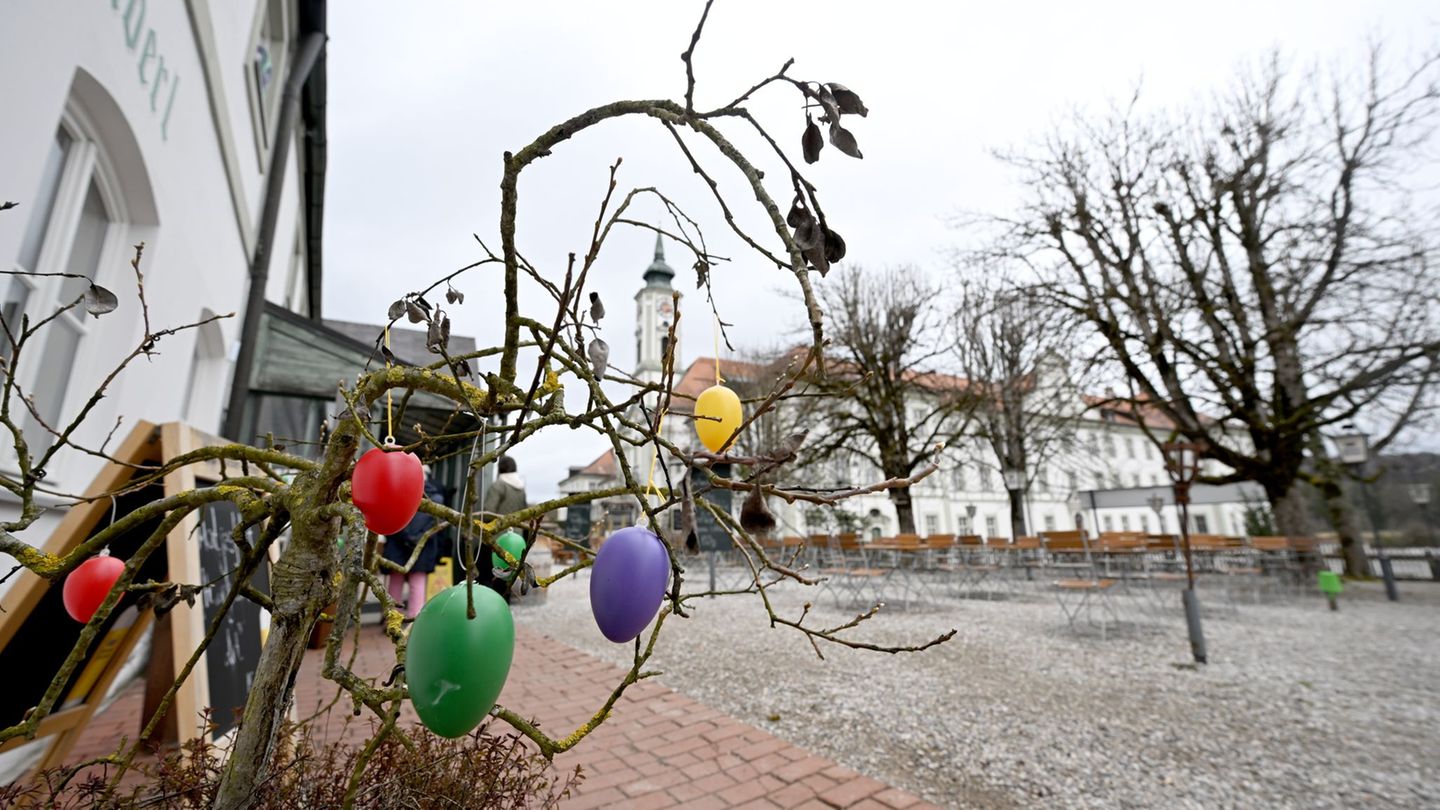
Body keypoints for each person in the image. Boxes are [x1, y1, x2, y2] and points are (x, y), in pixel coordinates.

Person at [382, 465, 445, 620]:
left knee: (395, 582)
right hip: (422, 546)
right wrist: (417, 538)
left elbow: (392, 518)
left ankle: (392, 619)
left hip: (398, 542)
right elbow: (436, 525)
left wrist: (406, 536)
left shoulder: (398, 493)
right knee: (418, 583)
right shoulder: (437, 499)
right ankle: (414, 619)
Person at [481, 455, 528, 600]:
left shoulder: (498, 486)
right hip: (517, 539)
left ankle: (490, 608)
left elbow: (488, 512)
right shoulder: (521, 489)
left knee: (492, 576)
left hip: (499, 539)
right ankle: (504, 608)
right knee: (507, 577)